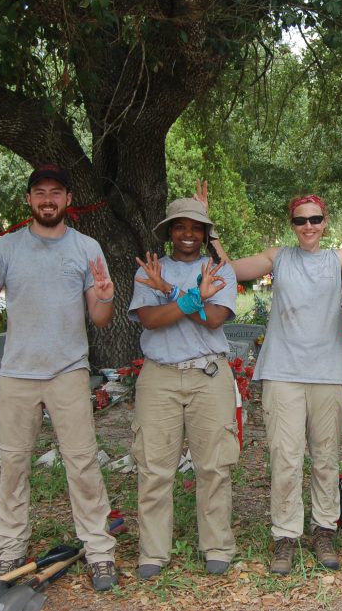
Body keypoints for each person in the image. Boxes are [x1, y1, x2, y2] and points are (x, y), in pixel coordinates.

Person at [0, 164, 119, 592]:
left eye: (55, 192)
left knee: (82, 463)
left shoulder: (86, 248)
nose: (47, 199)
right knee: (13, 463)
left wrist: (105, 297)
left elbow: (100, 319)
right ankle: (10, 549)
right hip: (18, 375)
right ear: (29, 200)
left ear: (67, 199)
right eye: (39, 192)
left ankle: (99, 551)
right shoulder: (6, 249)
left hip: (68, 372)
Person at [227, 194, 342, 575]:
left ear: (325, 220)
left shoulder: (340, 258)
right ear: (292, 224)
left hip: (329, 373)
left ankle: (323, 530)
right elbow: (230, 268)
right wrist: (209, 229)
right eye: (301, 221)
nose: (309, 227)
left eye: (315, 219)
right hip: (283, 372)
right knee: (285, 458)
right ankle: (285, 535)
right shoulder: (278, 257)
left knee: (326, 457)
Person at [128, 198, 239, 580]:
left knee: (214, 466)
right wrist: (192, 296)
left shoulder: (220, 269)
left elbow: (213, 319)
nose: (188, 234)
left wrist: (171, 293)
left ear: (206, 233)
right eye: (180, 227)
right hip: (159, 376)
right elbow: (151, 320)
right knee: (155, 467)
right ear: (169, 231)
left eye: (196, 227)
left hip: (208, 375)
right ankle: (153, 553)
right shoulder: (151, 269)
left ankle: (217, 546)